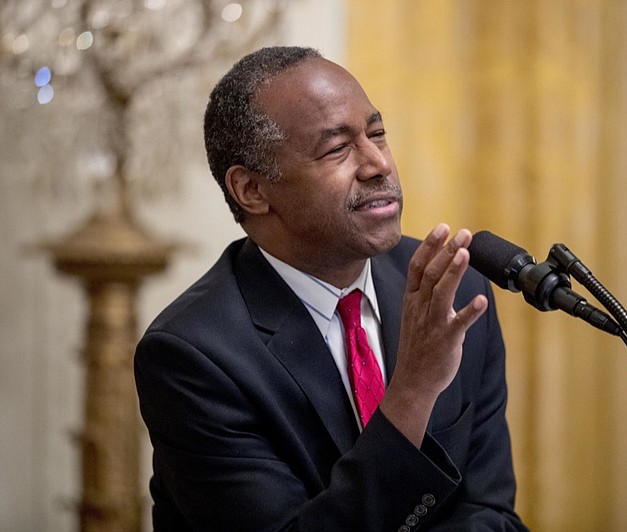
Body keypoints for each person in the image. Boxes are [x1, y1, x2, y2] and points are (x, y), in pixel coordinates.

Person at [135, 46, 527, 531]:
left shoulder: (455, 290)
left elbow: (489, 514)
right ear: (252, 190)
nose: (377, 163)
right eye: (337, 148)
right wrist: (414, 390)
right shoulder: (193, 354)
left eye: (377, 133)